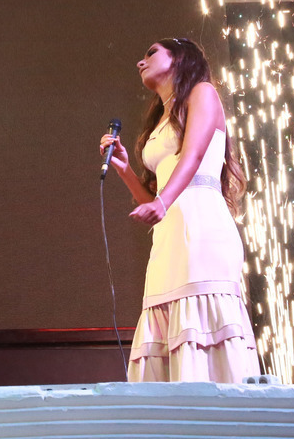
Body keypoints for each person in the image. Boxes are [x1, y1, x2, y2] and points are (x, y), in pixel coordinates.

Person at [100, 37, 259, 383]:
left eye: (151, 53)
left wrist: (162, 202)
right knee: (165, 325)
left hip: (203, 229)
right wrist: (126, 170)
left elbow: (194, 155)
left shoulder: (202, 93)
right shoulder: (161, 120)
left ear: (179, 57)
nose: (141, 62)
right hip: (169, 237)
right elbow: (154, 200)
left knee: (201, 320)